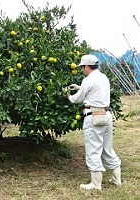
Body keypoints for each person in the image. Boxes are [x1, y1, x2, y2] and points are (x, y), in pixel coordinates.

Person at [67, 54, 122, 190]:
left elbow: (78, 99)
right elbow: (96, 91)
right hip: (106, 115)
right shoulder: (103, 77)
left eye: (82, 67)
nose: (81, 70)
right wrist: (80, 87)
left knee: (93, 149)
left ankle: (95, 184)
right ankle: (117, 179)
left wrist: (69, 96)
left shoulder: (88, 79)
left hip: (93, 116)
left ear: (86, 67)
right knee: (106, 148)